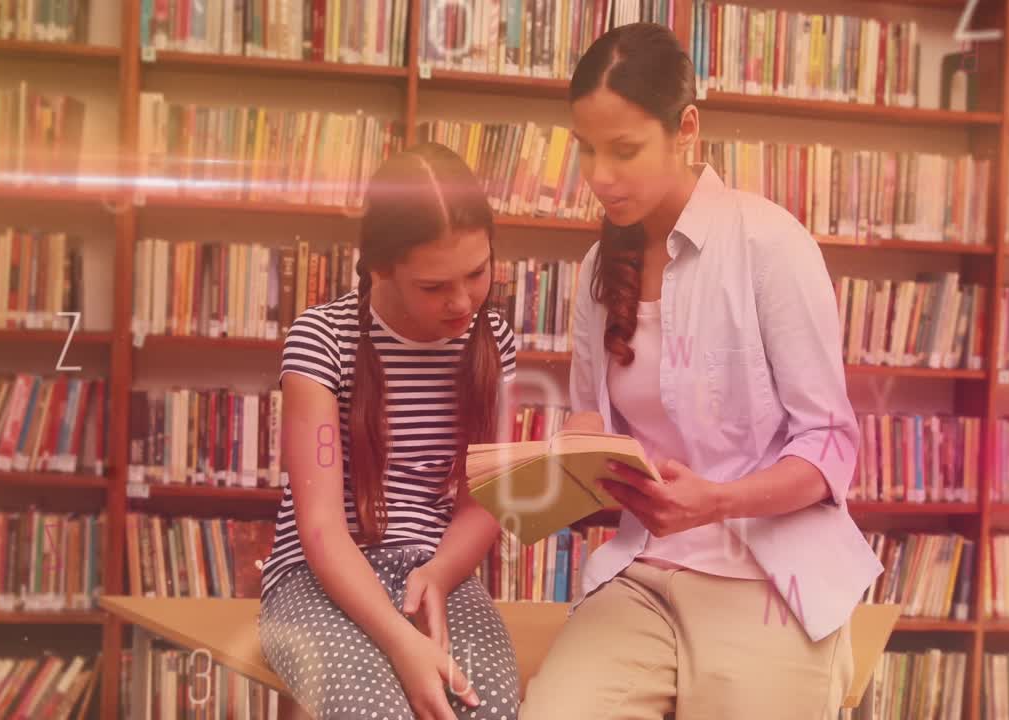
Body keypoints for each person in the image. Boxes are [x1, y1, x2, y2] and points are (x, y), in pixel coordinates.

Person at [518, 23, 884, 720]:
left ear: (686, 128)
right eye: (587, 150)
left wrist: (714, 500)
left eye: (624, 150)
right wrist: (558, 470)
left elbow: (829, 447)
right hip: (643, 574)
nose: (599, 176)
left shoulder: (770, 244)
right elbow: (593, 413)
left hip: (767, 578)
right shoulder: (598, 268)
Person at [258, 142, 522, 720]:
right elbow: (322, 527)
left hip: (434, 571)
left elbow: (484, 499)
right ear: (381, 266)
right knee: (378, 712)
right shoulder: (322, 340)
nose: (462, 302)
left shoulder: (494, 342)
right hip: (320, 577)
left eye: (477, 273)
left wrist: (436, 576)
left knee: (489, 708)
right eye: (433, 287)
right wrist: (401, 642)